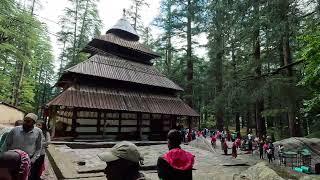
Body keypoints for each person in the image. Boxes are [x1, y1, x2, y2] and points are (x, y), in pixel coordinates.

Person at [4, 113, 43, 180]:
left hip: (28, 160)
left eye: (28, 121)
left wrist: (33, 160)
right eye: (24, 120)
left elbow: (39, 147)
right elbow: (7, 144)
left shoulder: (38, 132)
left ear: (33, 123)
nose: (25, 123)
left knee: (24, 177)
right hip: (12, 159)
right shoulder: (15, 130)